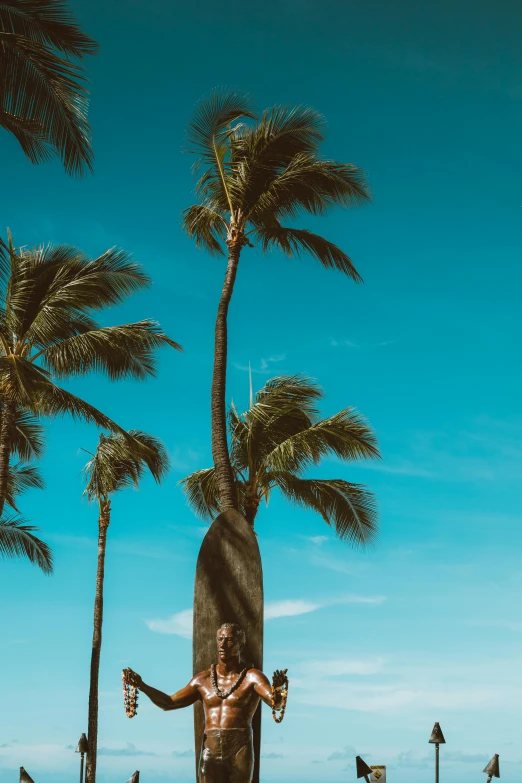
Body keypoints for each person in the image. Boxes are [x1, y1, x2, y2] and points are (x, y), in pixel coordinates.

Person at [123, 622, 288, 783]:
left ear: (240, 646)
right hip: (210, 750)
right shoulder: (202, 680)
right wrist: (142, 685)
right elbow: (169, 703)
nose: (223, 645)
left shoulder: (252, 677)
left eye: (229, 640)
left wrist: (279, 690)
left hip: (240, 748)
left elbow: (276, 704)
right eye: (220, 639)